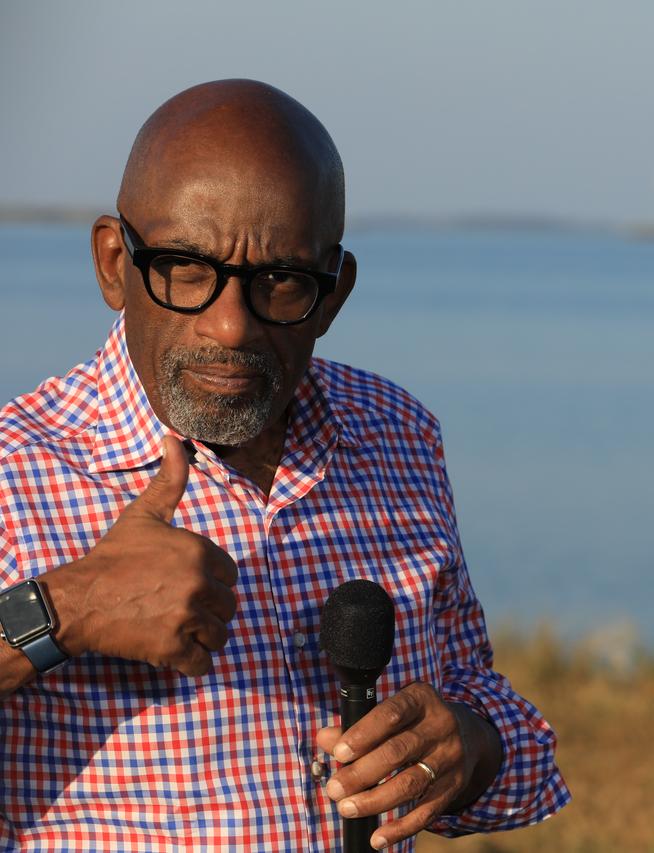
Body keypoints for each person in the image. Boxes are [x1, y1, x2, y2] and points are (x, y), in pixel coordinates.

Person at [0, 79, 568, 850]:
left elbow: (492, 719)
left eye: (281, 281)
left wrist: (465, 744)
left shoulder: (396, 436)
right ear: (112, 263)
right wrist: (66, 610)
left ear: (333, 294)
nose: (231, 325)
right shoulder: (17, 465)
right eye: (186, 269)